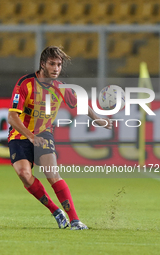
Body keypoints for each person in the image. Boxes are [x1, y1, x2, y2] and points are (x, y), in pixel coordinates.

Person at [7, 46, 112, 230]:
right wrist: (30, 137)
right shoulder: (25, 84)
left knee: (52, 174)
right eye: (52, 64)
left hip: (44, 134)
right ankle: (55, 210)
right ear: (42, 64)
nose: (56, 68)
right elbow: (12, 117)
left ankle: (75, 220)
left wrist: (98, 119)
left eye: (59, 64)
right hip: (20, 134)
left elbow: (80, 103)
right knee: (24, 174)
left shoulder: (61, 88)